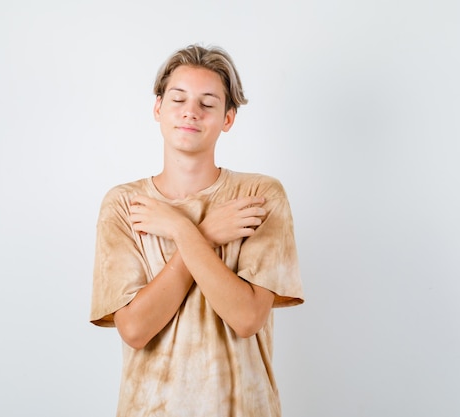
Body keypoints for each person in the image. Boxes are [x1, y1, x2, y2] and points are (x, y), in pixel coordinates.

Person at [89, 43, 304, 417]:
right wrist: (204, 234)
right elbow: (135, 329)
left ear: (228, 118)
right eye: (178, 99)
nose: (191, 111)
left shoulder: (259, 196)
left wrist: (182, 230)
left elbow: (247, 318)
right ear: (158, 108)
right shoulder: (124, 205)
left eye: (208, 103)